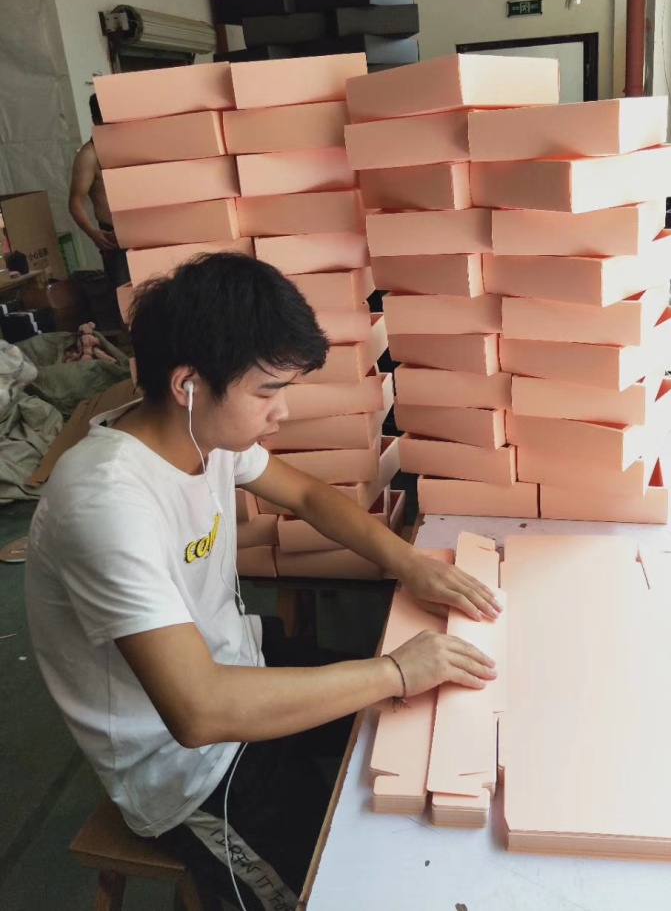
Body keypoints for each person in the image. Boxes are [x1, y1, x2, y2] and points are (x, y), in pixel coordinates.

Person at [25, 253, 500, 911]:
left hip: (242, 661)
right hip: (184, 765)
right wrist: (394, 670)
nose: (282, 412)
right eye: (268, 391)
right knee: (342, 887)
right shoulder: (106, 502)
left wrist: (409, 562)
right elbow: (198, 711)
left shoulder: (201, 433)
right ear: (189, 383)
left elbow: (306, 495)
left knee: (428, 722)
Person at [68, 95, 130, 287]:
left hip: (144, 230)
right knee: (125, 294)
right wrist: (93, 233)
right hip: (113, 236)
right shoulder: (89, 155)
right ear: (96, 121)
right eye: (106, 123)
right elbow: (75, 202)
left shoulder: (130, 145)